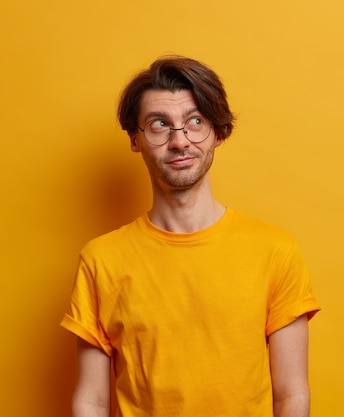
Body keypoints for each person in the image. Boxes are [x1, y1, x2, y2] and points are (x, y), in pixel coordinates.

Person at [61, 55, 320, 417]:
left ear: (218, 132)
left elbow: (291, 394)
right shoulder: (100, 260)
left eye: (194, 121)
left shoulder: (275, 250)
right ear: (136, 138)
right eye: (159, 124)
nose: (179, 141)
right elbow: (92, 400)